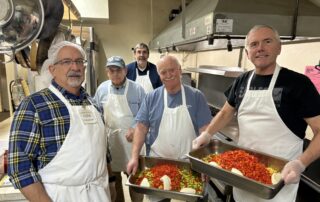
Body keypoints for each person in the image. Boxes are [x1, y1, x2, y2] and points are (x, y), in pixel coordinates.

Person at [192, 25, 320, 202]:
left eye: (267, 41)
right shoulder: (242, 80)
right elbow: (225, 113)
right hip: (244, 175)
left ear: (279, 47)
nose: (260, 48)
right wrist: (207, 134)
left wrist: (301, 163)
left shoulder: (298, 84)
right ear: (247, 53)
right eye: (254, 44)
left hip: (279, 181)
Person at [8, 41, 116, 202]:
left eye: (79, 61)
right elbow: (19, 167)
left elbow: (102, 151)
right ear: (52, 69)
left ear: (85, 68)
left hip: (100, 193)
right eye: (66, 62)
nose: (75, 67)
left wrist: (111, 183)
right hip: (60, 196)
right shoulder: (34, 105)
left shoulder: (93, 103)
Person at [127, 55, 212, 201]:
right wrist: (134, 156)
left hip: (189, 166)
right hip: (158, 163)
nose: (168, 75)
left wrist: (204, 162)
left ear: (180, 70)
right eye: (163, 72)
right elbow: (141, 128)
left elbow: (205, 130)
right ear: (159, 75)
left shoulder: (196, 96)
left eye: (172, 70)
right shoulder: (151, 98)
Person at [94, 56, 146, 202]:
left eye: (118, 70)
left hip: (133, 145)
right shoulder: (102, 89)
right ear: (107, 72)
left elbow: (146, 114)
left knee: (136, 182)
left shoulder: (137, 89)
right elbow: (96, 114)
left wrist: (135, 127)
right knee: (114, 183)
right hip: (112, 144)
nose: (115, 73)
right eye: (112, 70)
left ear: (125, 70)